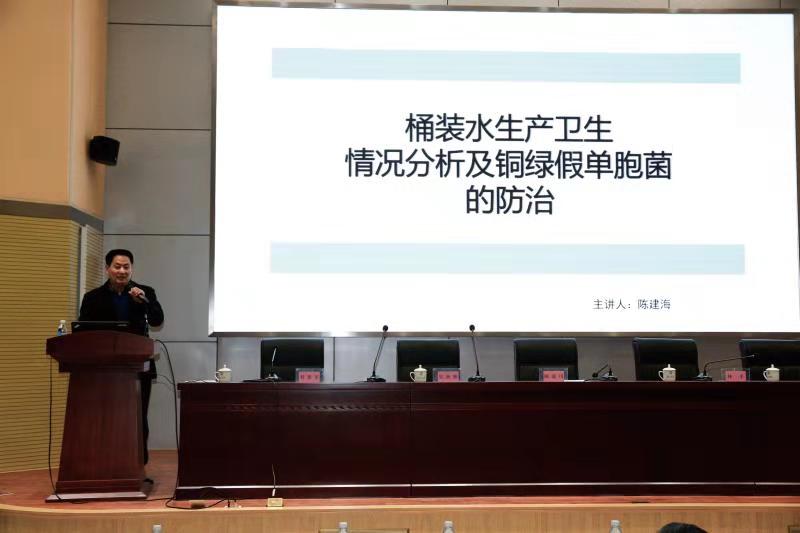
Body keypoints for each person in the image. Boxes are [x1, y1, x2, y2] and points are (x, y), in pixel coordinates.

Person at [78, 249, 164, 467]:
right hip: (104, 369)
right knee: (105, 416)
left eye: (127, 267)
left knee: (138, 416)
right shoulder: (92, 298)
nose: (122, 271)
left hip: (139, 367)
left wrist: (144, 302)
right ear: (107, 269)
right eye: (117, 266)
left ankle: (137, 465)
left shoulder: (144, 292)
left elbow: (157, 320)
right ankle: (104, 463)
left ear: (132, 269)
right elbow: (82, 331)